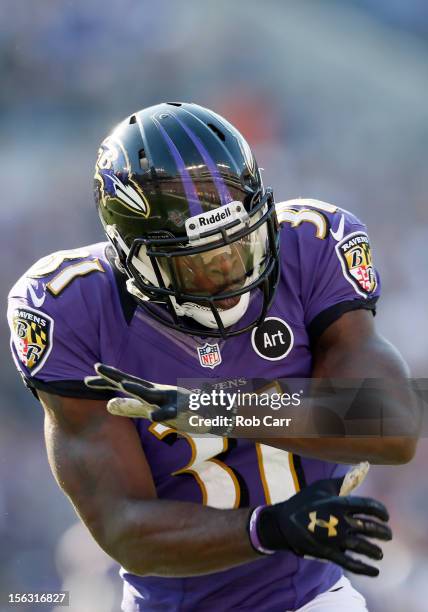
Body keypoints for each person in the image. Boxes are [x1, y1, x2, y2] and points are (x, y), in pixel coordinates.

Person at [8, 102, 415, 611]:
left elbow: (391, 424)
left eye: (240, 247)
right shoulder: (71, 308)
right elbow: (122, 529)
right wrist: (271, 528)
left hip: (316, 599)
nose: (228, 276)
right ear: (133, 255)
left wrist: (208, 407)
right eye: (197, 264)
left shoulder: (311, 244)